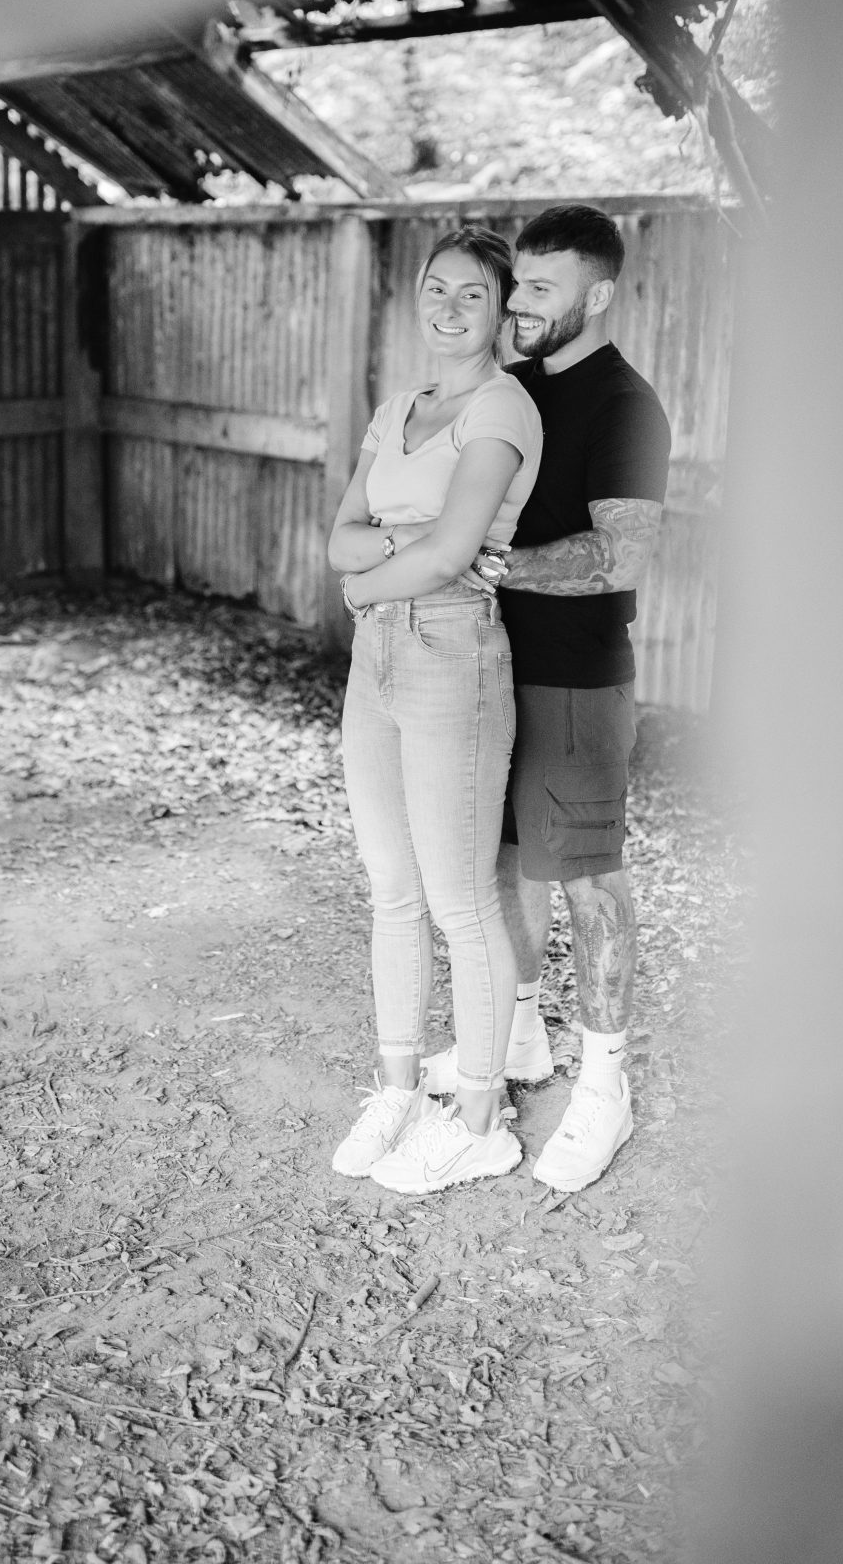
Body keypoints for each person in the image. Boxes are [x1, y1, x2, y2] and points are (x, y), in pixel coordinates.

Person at [422, 205, 671, 1193]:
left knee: (589, 880)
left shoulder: (625, 405)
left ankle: (605, 1088)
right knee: (505, 864)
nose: (516, 303)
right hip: (491, 670)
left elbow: (623, 551)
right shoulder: (512, 389)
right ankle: (520, 1031)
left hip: (575, 679)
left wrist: (496, 564)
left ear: (598, 294)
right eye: (515, 281)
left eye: (540, 286)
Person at [327, 226, 543, 1194]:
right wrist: (382, 555)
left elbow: (455, 549)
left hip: (452, 651)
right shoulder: (397, 407)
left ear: (501, 311)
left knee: (460, 898)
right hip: (375, 656)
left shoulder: (503, 409)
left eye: (471, 294)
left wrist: (379, 565)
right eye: (435, 289)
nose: (449, 308)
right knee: (392, 888)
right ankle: (399, 1089)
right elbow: (336, 536)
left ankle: (482, 1119)